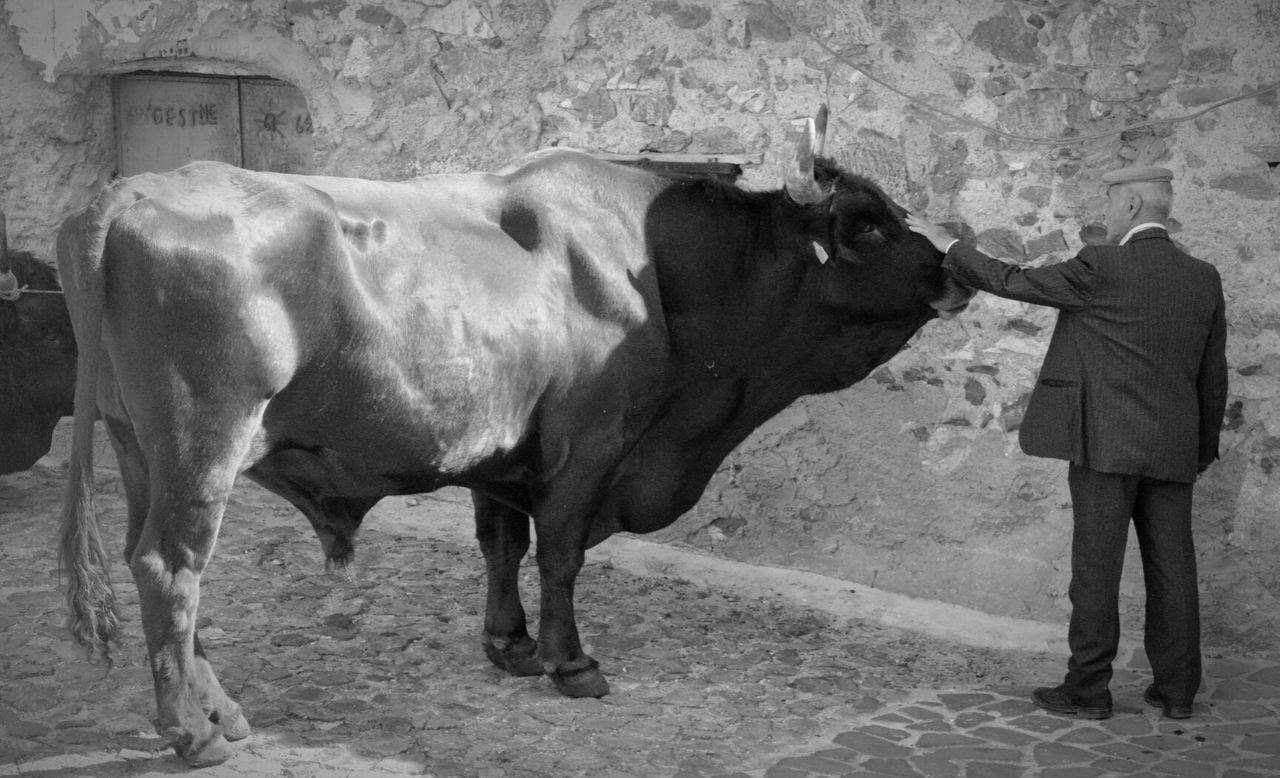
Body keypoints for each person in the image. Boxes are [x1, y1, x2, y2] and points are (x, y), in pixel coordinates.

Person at [906, 166, 1229, 721]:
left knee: (1096, 570)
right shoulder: (1204, 276)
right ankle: (1177, 692)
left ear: (1130, 206)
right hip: (1173, 447)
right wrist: (1198, 450)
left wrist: (948, 244)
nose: (1103, 214)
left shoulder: (1101, 265)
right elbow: (1213, 374)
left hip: (1104, 446)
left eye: (1107, 202)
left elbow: (1011, 281)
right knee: (1174, 570)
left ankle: (1087, 690)